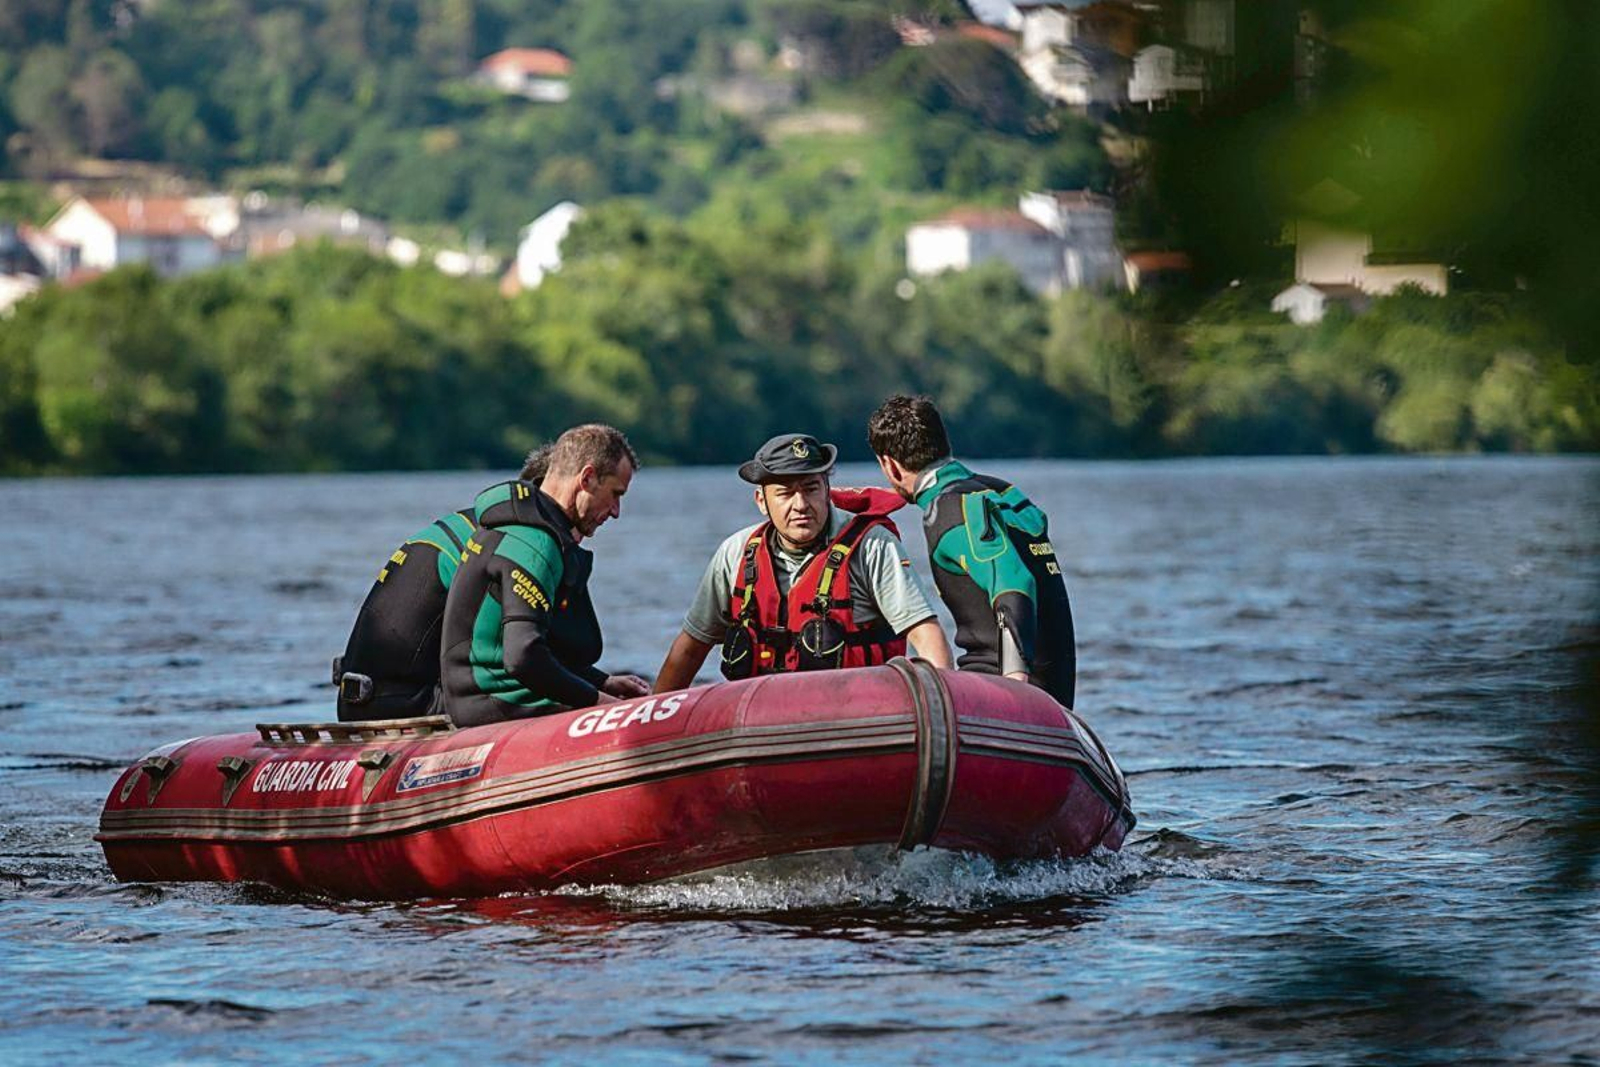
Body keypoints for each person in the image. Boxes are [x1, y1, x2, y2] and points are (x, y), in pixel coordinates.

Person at [653, 432, 952, 692]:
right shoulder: (735, 553)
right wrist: (653, 718)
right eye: (785, 493)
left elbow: (925, 633)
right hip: (759, 719)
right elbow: (689, 651)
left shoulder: (872, 546)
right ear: (761, 501)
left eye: (811, 489)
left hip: (858, 715)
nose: (801, 505)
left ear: (827, 491)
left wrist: (944, 702)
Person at [867, 395, 1077, 708]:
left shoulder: (950, 511)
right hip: (1054, 696)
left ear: (889, 465)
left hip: (1000, 693)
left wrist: (1015, 689)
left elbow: (1014, 582)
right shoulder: (999, 491)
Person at [440, 425, 650, 727]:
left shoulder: (520, 526)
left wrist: (602, 682)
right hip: (498, 707)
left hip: (479, 700)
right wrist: (600, 703)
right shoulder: (533, 544)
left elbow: (536, 647)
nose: (616, 511)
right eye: (615, 494)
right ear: (587, 478)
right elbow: (524, 656)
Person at [333, 444, 556, 722]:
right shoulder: (517, 543)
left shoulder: (474, 524)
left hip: (360, 700)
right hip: (409, 705)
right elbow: (519, 659)